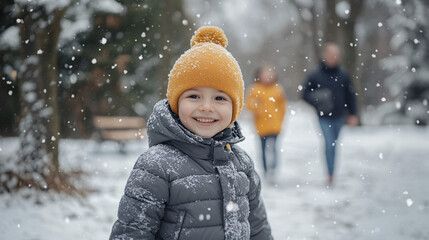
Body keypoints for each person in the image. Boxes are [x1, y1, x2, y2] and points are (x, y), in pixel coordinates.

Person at [109, 26, 273, 240]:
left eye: (220, 98)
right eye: (194, 96)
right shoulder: (156, 166)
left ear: (235, 108)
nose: (206, 107)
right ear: (176, 102)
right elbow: (131, 233)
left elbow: (258, 228)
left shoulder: (242, 164)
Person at [302, 42, 359, 184]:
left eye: (336, 55)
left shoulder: (344, 74)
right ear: (324, 55)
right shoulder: (315, 75)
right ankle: (330, 174)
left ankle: (332, 171)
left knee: (334, 144)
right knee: (329, 144)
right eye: (330, 54)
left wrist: (353, 114)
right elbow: (305, 94)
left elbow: (350, 95)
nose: (333, 57)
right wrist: (318, 99)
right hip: (323, 117)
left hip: (339, 116)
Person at [246, 66, 287, 181]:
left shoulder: (278, 89)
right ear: (259, 76)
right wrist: (255, 106)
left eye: (270, 74)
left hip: (275, 125)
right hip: (261, 126)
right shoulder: (255, 89)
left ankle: (273, 170)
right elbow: (249, 104)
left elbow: (283, 107)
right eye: (265, 74)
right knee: (263, 149)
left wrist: (280, 119)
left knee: (274, 148)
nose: (268, 77)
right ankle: (265, 170)